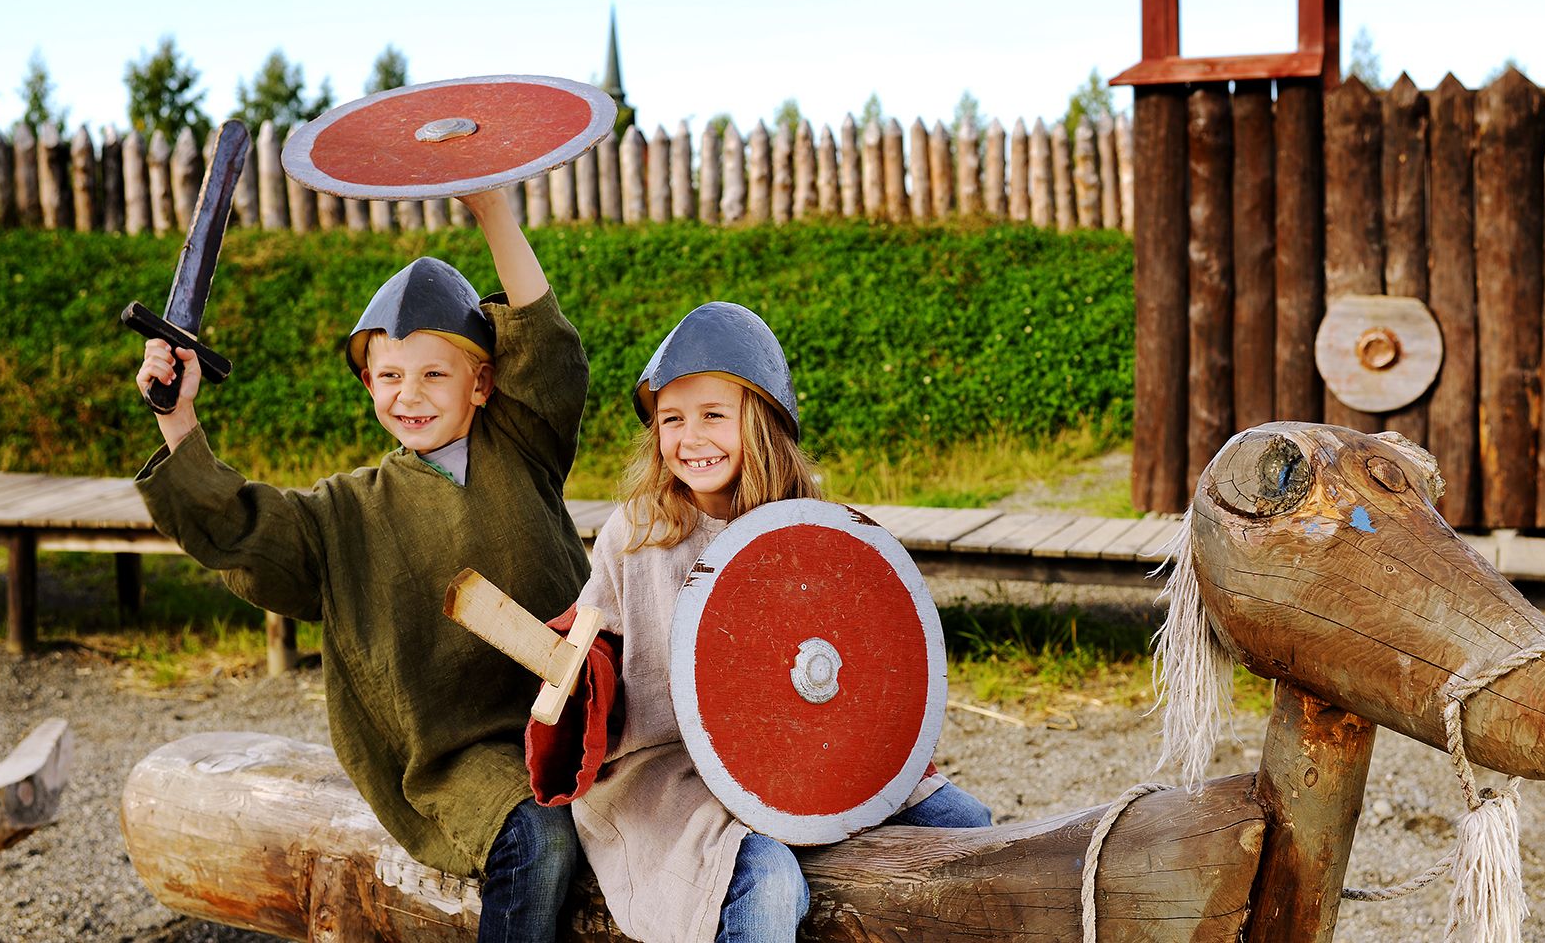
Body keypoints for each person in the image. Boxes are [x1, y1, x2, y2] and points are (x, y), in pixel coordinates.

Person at [132, 187, 590, 943]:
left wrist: (493, 215)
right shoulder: (343, 514)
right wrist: (176, 416)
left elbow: (545, 346)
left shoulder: (524, 443)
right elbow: (241, 527)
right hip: (462, 752)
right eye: (389, 376)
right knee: (540, 839)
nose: (409, 394)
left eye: (435, 375)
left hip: (582, 715)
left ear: (482, 385)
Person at [539, 302, 992, 943]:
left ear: (762, 422)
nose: (691, 438)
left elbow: (855, 655)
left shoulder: (806, 526)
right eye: (673, 420)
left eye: (714, 416)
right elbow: (597, 647)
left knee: (972, 828)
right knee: (769, 879)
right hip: (669, 775)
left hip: (800, 752)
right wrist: (581, 671)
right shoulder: (636, 534)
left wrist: (883, 752)